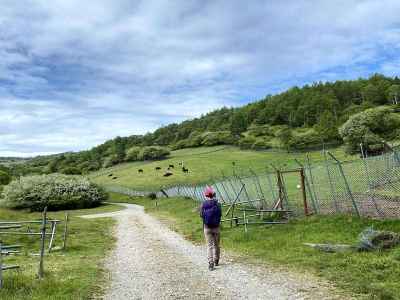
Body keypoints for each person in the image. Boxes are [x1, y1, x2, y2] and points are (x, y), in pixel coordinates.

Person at [200, 186, 222, 271]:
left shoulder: (203, 204)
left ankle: (211, 263)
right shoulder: (218, 204)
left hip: (207, 228)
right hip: (216, 227)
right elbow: (220, 214)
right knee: (216, 245)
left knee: (209, 246)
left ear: (206, 195)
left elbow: (201, 215)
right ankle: (216, 260)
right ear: (213, 195)